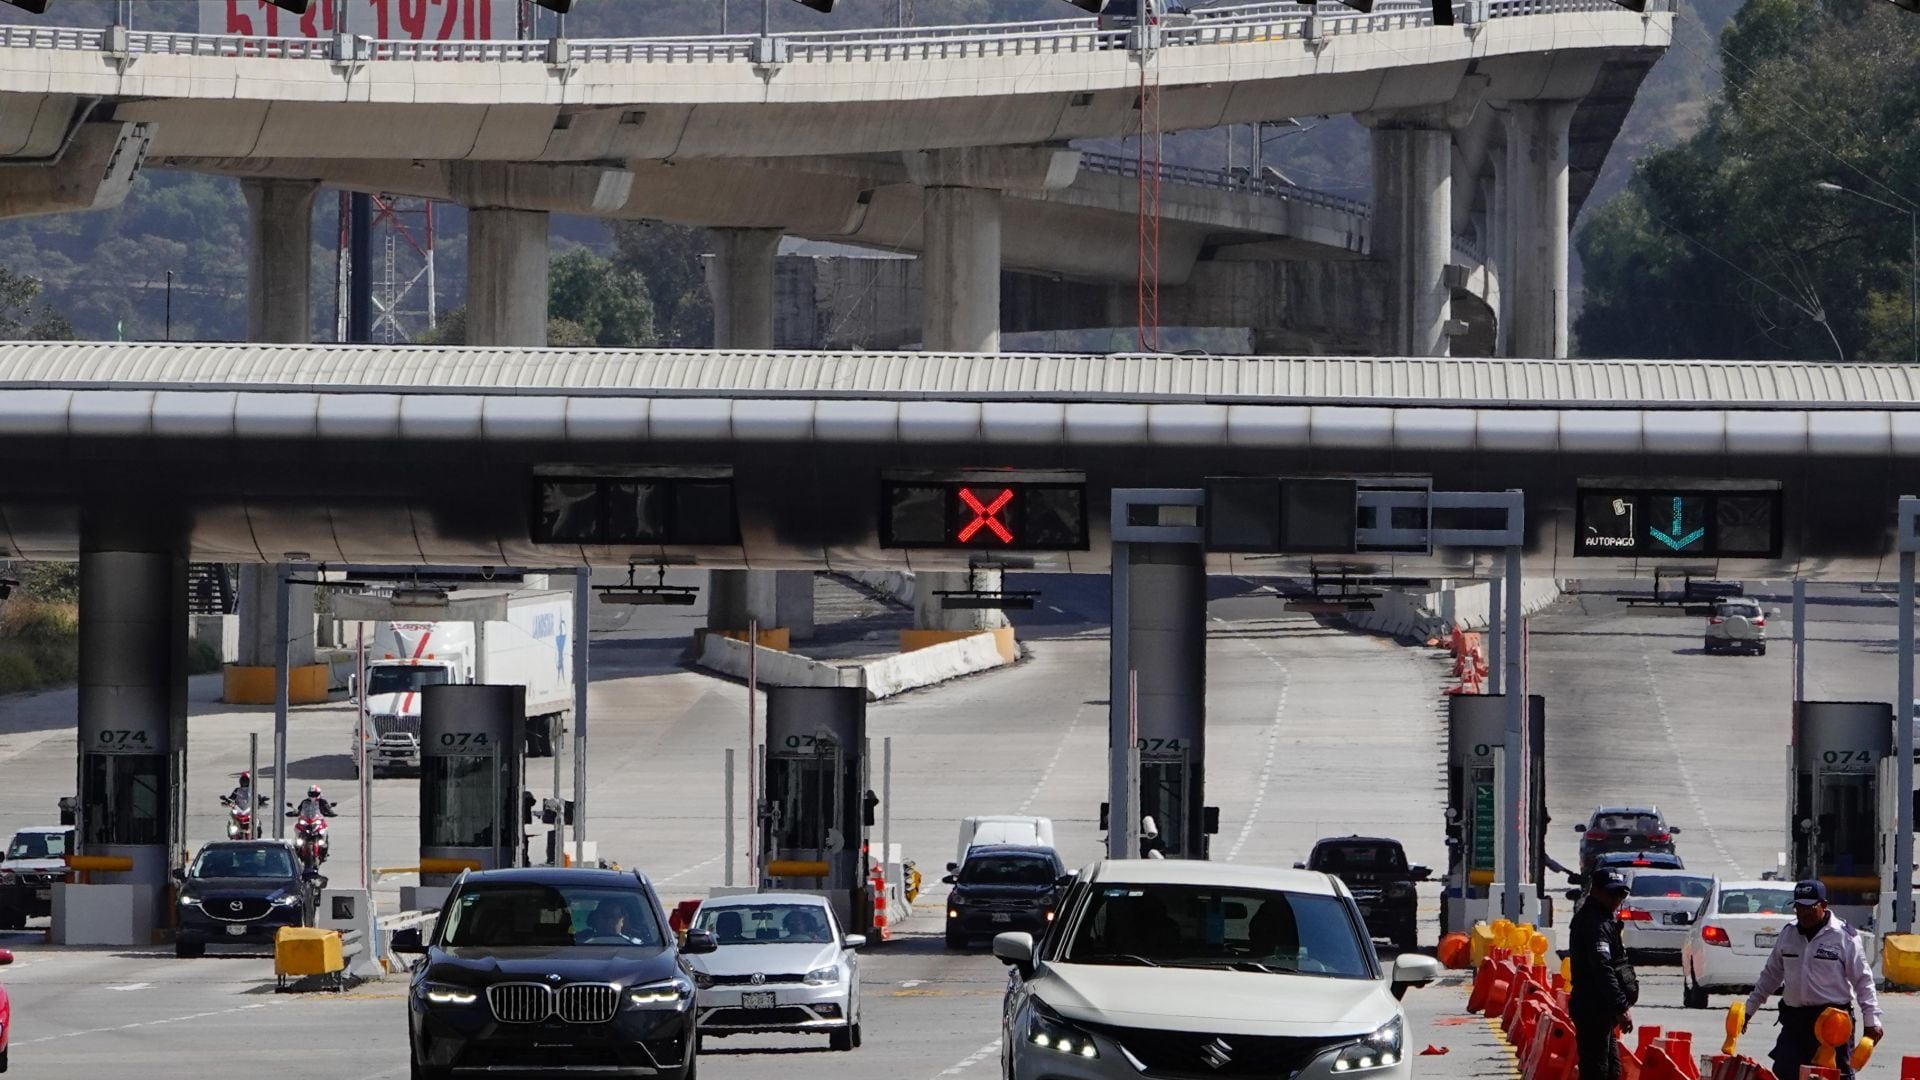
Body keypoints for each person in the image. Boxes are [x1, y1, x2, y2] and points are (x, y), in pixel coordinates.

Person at [1744, 880, 1883, 1080]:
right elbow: (1770, 975)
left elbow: (1863, 980)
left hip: (1833, 1023)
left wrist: (1872, 1021)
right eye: (1799, 907)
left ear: (1824, 905)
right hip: (1795, 1021)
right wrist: (1749, 1009)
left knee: (1835, 1076)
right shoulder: (1788, 934)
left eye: (1809, 907)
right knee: (1785, 1072)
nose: (1803, 913)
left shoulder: (1844, 936)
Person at [1569, 867, 1639, 1080]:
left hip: (1602, 1011)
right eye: (1612, 893)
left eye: (1621, 894)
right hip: (1593, 1008)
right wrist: (1621, 1006)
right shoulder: (1595, 923)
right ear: (1596, 892)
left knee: (1611, 1071)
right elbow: (1602, 968)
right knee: (1597, 1071)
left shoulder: (1605, 920)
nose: (1617, 899)